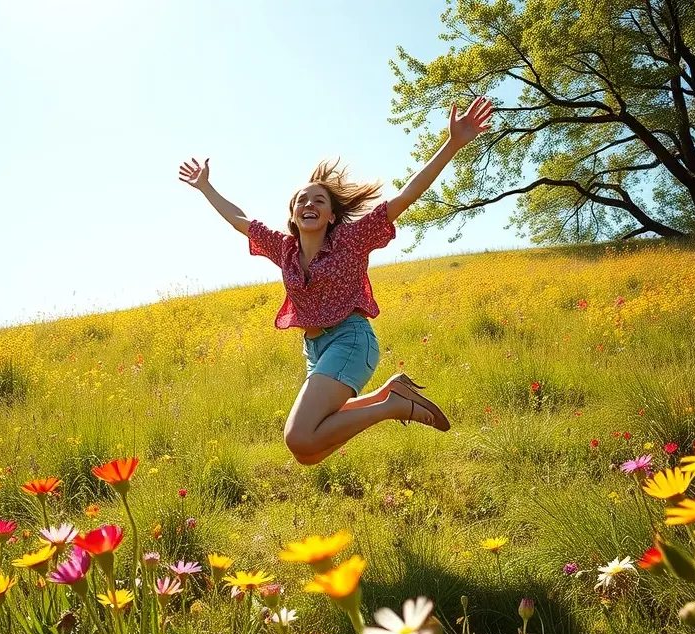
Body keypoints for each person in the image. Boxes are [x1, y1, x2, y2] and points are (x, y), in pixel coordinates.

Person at [178, 97, 494, 465]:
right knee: (308, 453)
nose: (309, 204)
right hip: (315, 351)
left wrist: (453, 143)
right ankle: (389, 395)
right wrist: (206, 188)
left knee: (298, 436)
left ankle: (392, 406)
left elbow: (408, 194)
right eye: (301, 202)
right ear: (294, 216)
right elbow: (239, 219)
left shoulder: (351, 240)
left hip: (350, 340)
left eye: (319, 201)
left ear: (330, 215)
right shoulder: (284, 249)